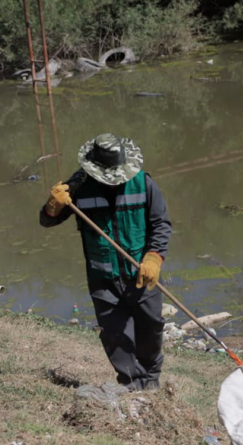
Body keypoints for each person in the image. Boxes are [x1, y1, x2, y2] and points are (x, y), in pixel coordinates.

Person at [40, 133, 172, 391]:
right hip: (103, 279)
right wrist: (52, 207)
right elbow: (47, 221)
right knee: (115, 335)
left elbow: (161, 225)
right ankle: (131, 384)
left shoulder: (143, 184)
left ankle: (151, 381)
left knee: (151, 327)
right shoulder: (77, 188)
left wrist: (154, 258)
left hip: (141, 274)